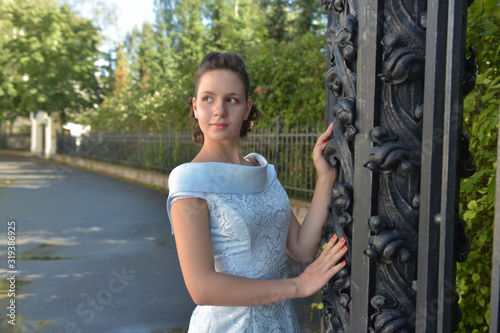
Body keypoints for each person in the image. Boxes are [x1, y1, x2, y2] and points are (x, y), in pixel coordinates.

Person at [166, 51, 347, 332]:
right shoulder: (189, 182)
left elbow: (302, 248)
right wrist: (298, 285)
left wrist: (325, 178)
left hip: (281, 323)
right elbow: (202, 288)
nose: (219, 110)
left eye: (232, 100)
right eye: (208, 98)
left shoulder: (262, 170)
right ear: (195, 106)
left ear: (247, 108)